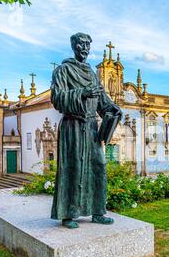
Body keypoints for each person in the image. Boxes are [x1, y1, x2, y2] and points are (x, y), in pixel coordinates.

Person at [50, 32, 122, 229]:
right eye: (81, 45)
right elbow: (58, 98)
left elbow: (101, 99)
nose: (85, 49)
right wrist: (82, 93)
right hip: (72, 126)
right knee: (73, 168)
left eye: (87, 46)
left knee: (99, 166)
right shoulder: (63, 71)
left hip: (91, 128)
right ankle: (68, 214)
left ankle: (98, 211)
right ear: (74, 46)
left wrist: (112, 108)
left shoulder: (91, 74)